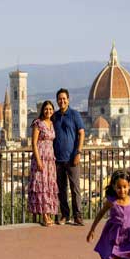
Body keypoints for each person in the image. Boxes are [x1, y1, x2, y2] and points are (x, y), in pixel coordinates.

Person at [52, 88, 85, 226]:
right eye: (59, 99)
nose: (62, 101)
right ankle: (65, 215)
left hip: (72, 158)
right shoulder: (54, 116)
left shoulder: (75, 114)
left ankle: (78, 216)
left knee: (75, 188)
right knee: (61, 189)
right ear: (57, 101)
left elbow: (81, 133)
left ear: (68, 100)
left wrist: (78, 152)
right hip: (58, 159)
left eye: (64, 99)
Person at [27, 100, 59, 226]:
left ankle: (49, 212)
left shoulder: (52, 123)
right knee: (41, 186)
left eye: (51, 109)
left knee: (49, 185)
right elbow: (34, 143)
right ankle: (44, 215)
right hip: (40, 158)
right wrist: (38, 160)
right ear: (42, 110)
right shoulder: (37, 123)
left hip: (50, 159)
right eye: (46, 109)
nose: (48, 111)